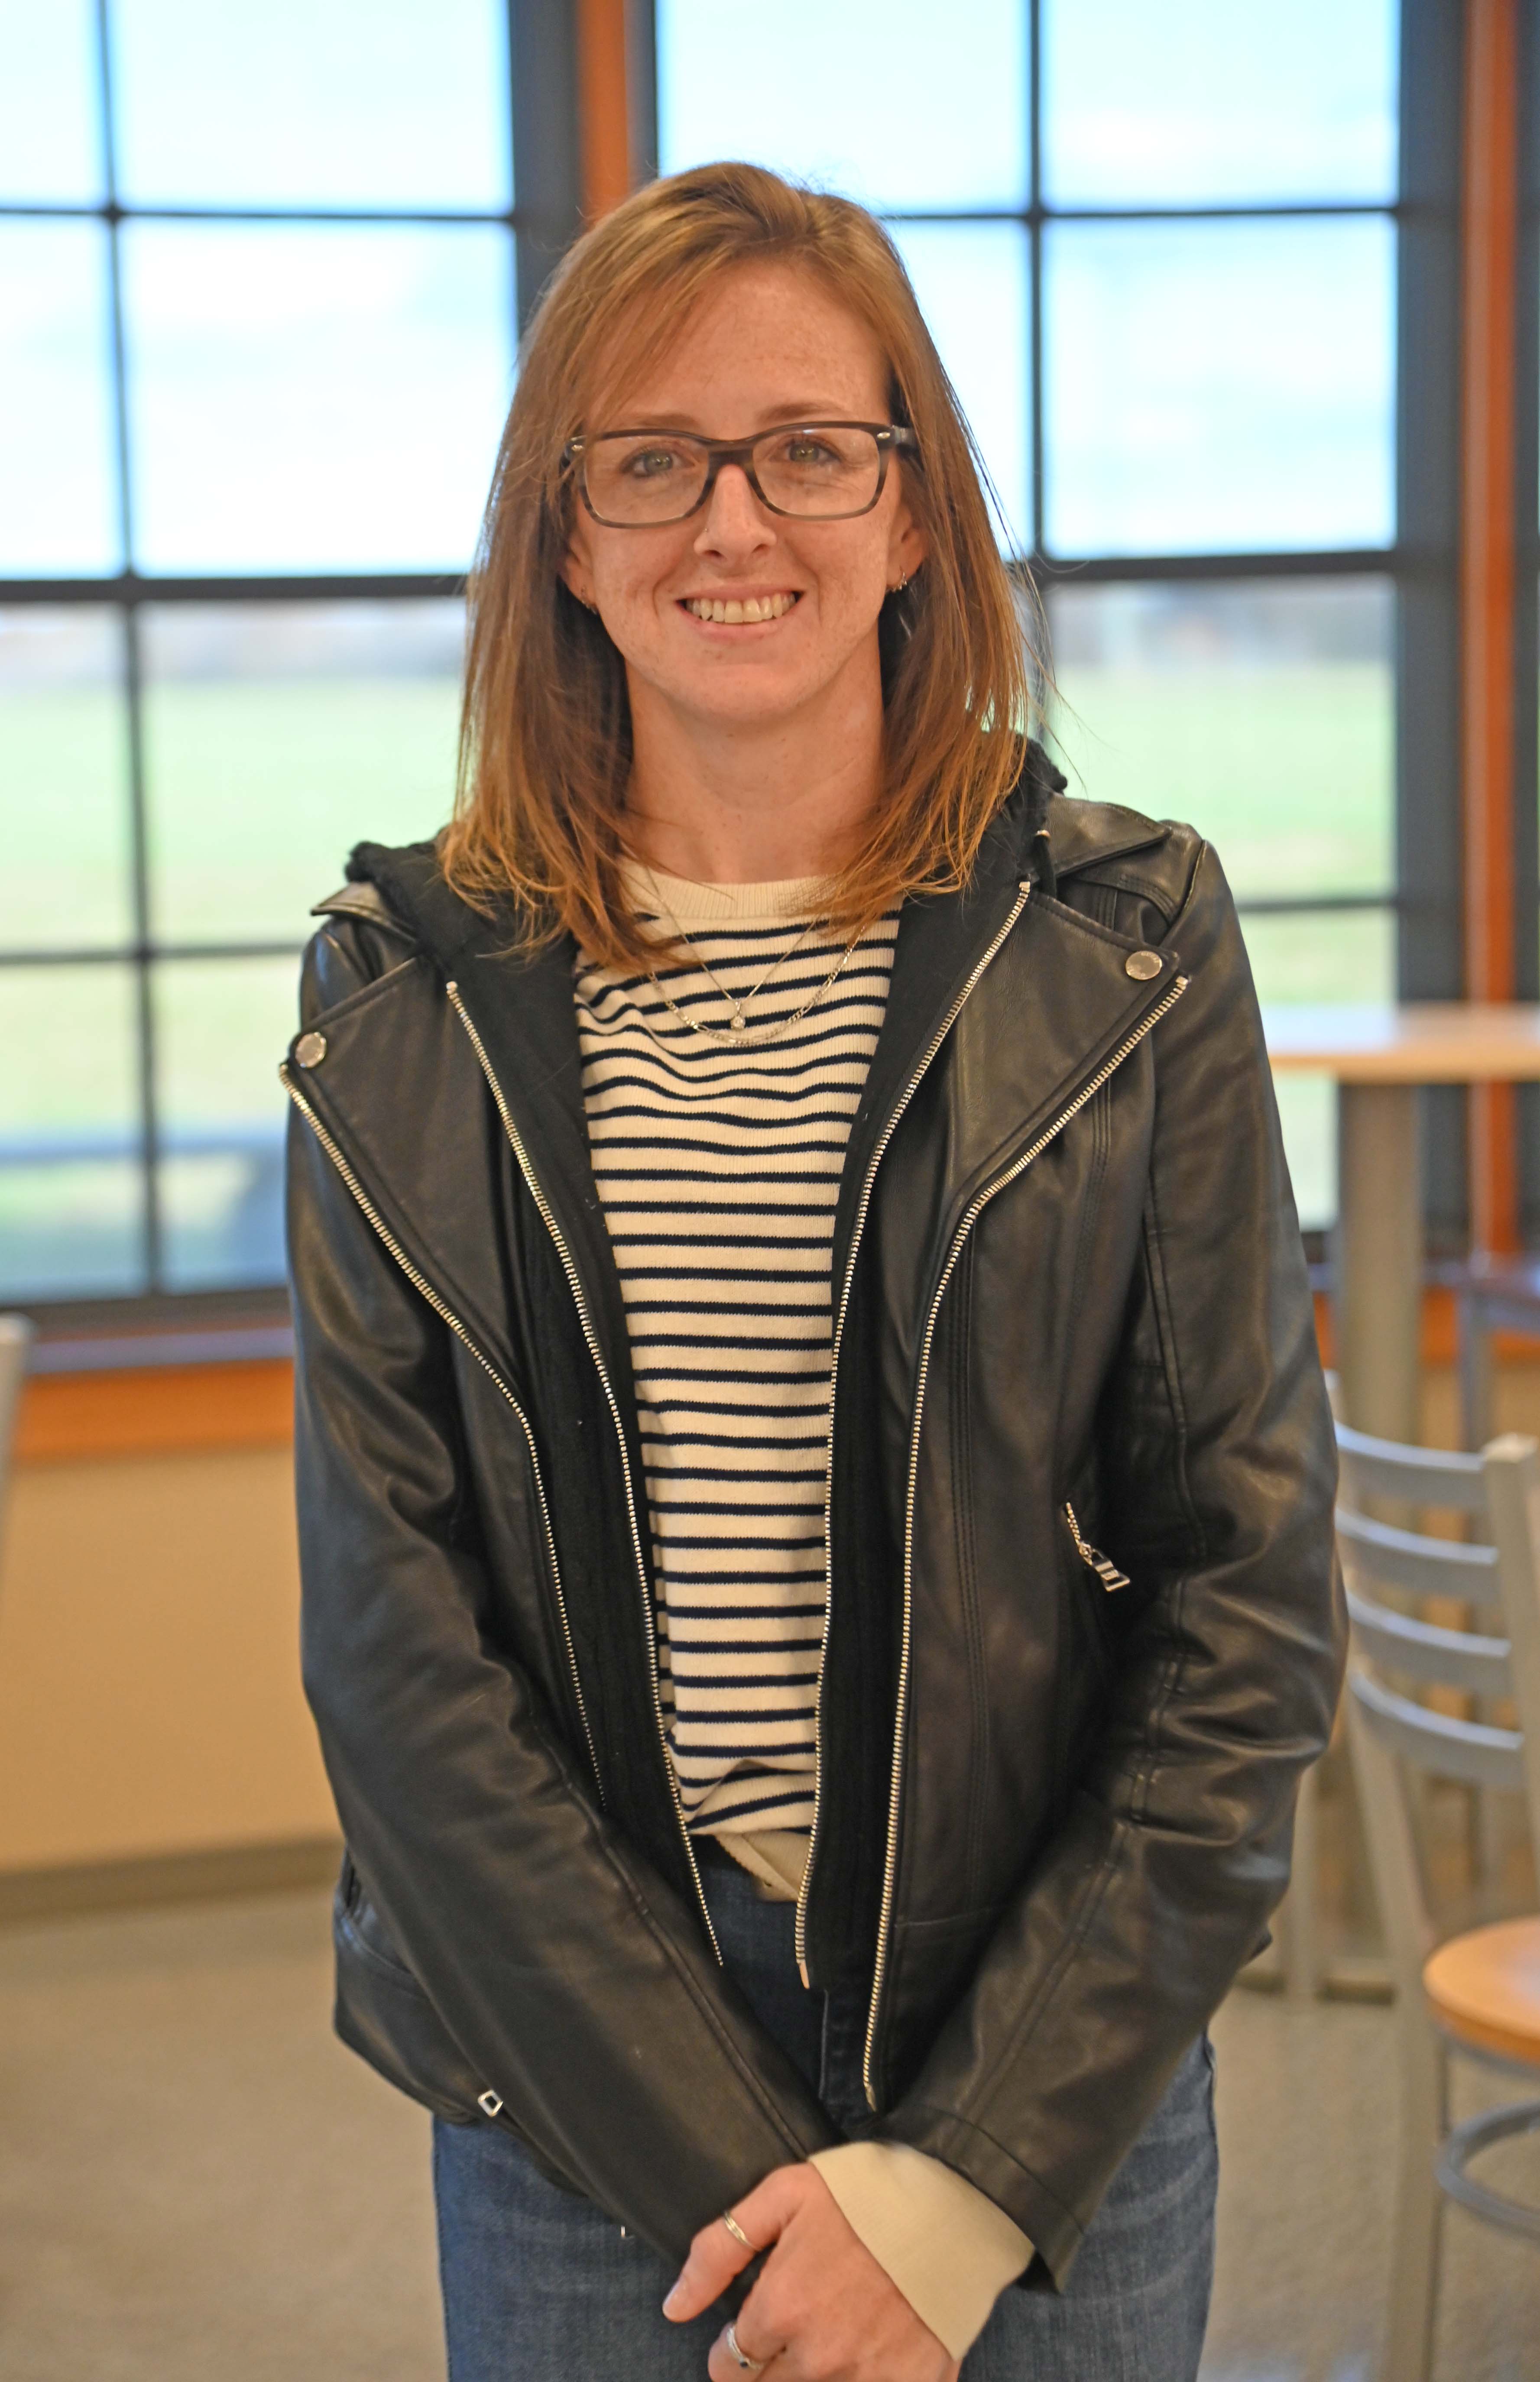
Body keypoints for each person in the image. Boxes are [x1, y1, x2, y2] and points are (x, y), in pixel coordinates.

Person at [283, 162, 1342, 2382]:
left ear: (912, 509)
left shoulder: (1127, 945)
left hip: (1046, 2063)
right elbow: (400, 1656)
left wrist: (960, 2178)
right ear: (564, 537)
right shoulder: (404, 990)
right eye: (649, 462)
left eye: (808, 449)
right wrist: (724, 2169)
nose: (730, 523)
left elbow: (1241, 1597)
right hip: (581, 2097)